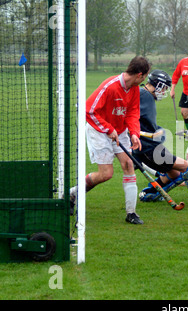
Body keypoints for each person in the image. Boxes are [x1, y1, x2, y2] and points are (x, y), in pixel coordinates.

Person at [69, 56, 151, 225]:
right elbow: (89, 111)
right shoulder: (110, 86)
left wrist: (134, 133)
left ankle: (131, 213)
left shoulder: (134, 89)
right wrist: (108, 128)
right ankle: (72, 194)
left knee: (128, 165)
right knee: (106, 174)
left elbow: (132, 112)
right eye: (145, 77)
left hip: (119, 131)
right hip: (98, 130)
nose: (145, 80)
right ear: (139, 75)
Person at [134, 69, 188, 207]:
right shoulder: (144, 95)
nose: (165, 92)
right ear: (158, 85)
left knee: (174, 174)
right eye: (164, 88)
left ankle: (152, 193)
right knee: (187, 167)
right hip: (149, 148)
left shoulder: (144, 94)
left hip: (151, 145)